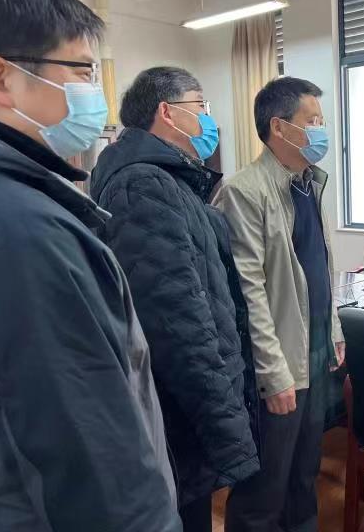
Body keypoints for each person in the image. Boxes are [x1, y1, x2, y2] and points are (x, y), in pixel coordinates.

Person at [0, 0, 180, 531]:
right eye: (81, 72)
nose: (94, 93)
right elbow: (97, 458)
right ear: (0, 79)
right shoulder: (22, 231)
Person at [90, 67, 260, 531]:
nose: (209, 118)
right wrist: (227, 428)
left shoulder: (171, 181)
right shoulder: (142, 186)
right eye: (201, 105)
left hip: (189, 404)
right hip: (179, 408)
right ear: (167, 112)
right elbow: (179, 323)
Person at [214, 76, 345, 532]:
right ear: (279, 127)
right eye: (313, 120)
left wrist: (333, 331)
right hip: (279, 361)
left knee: (304, 472)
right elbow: (247, 291)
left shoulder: (308, 183)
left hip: (314, 354)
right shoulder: (245, 191)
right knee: (265, 486)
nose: (321, 130)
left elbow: (319, 268)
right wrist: (273, 373)